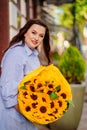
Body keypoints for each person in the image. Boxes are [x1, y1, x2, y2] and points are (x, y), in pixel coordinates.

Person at [0, 19, 51, 130]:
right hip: (13, 117)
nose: (37, 38)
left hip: (25, 116)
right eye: (34, 32)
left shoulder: (32, 54)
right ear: (25, 32)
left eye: (41, 35)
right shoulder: (16, 54)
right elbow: (8, 92)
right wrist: (29, 113)